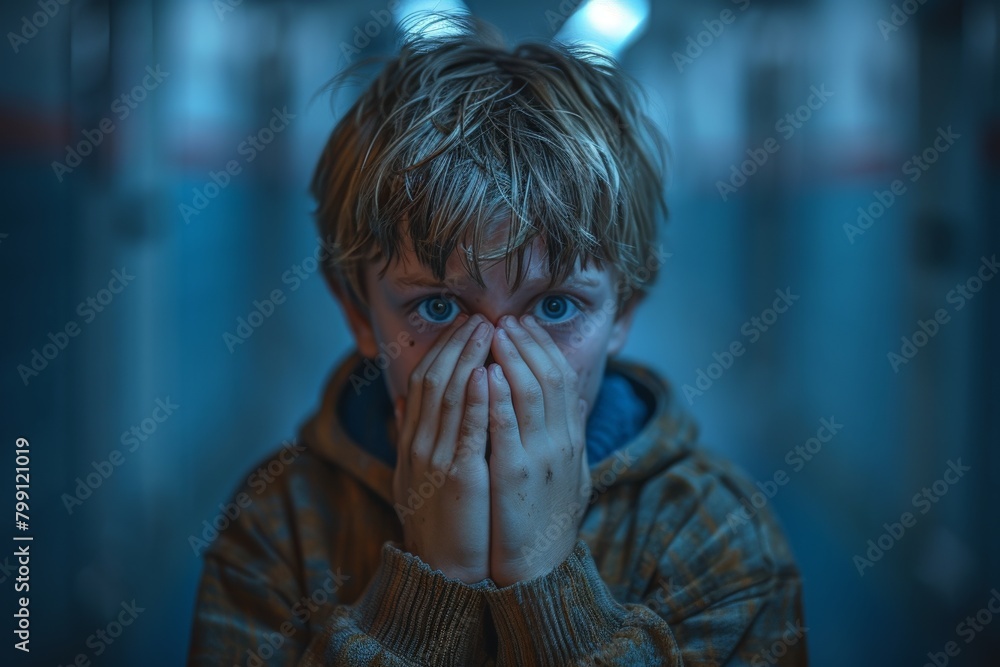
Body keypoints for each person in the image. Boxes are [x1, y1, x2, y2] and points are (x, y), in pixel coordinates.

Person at [187, 14, 807, 666]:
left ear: (623, 311)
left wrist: (546, 581)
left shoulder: (717, 533)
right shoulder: (277, 526)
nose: (493, 363)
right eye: (438, 305)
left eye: (557, 306)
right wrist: (429, 589)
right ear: (359, 314)